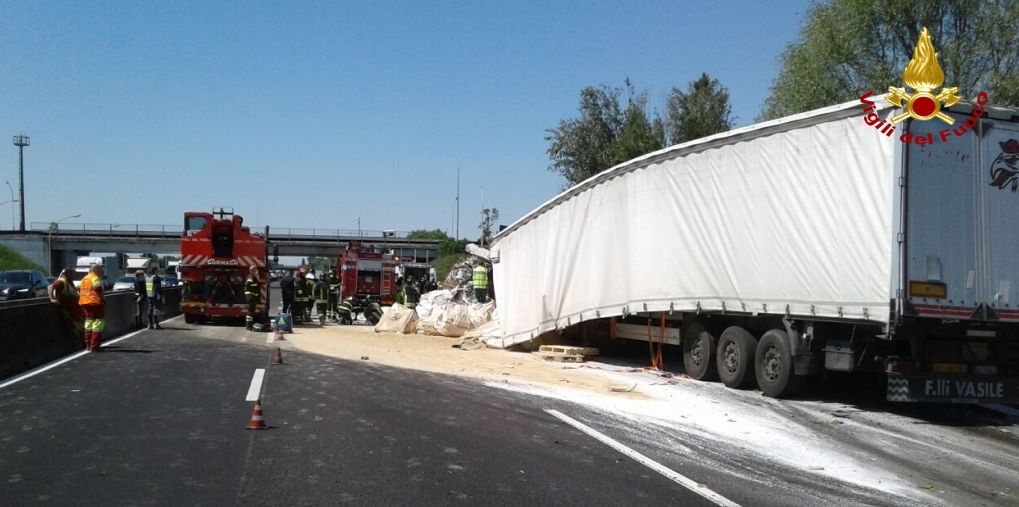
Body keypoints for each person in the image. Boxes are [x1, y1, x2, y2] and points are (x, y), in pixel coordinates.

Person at [49, 267, 83, 339]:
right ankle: (77, 341)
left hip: (73, 307)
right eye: (73, 273)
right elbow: (50, 287)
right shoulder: (61, 281)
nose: (74, 275)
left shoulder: (69, 281)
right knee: (74, 326)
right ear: (68, 273)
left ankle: (80, 340)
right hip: (66, 308)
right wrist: (52, 299)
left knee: (79, 325)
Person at [79, 264, 106, 352]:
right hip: (95, 303)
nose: (101, 272)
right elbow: (97, 288)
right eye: (100, 270)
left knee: (88, 323)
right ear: (96, 270)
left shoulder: (85, 278)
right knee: (98, 323)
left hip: (85, 303)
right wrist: (103, 298)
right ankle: (95, 345)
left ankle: (88, 345)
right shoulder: (95, 278)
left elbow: (78, 287)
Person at [244, 266, 262, 331]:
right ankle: (248, 326)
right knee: (250, 312)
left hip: (252, 297)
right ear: (252, 270)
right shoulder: (251, 277)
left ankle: (249, 326)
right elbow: (250, 285)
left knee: (251, 312)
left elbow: (256, 285)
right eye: (255, 269)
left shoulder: (253, 277)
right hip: (250, 297)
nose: (257, 271)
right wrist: (257, 279)